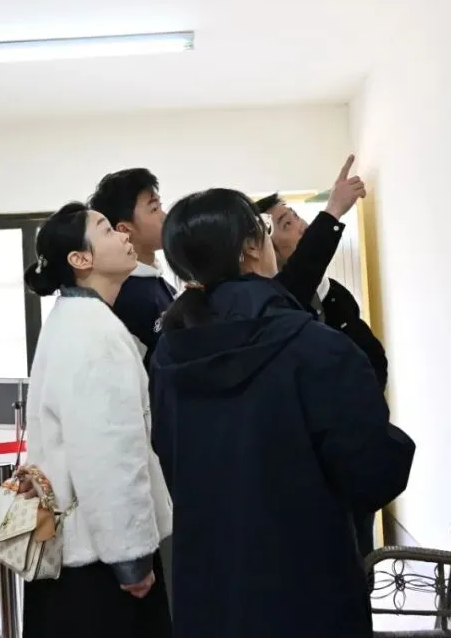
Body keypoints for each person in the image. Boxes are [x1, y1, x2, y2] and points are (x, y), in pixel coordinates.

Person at [149, 188, 415, 638]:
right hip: (306, 589)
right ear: (252, 248)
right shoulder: (317, 347)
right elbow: (373, 473)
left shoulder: (169, 357)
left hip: (210, 590)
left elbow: (171, 459)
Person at [22, 202, 173, 638]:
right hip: (100, 564)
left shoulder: (72, 318)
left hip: (74, 550)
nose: (124, 235)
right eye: (107, 230)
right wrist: (132, 559)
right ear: (80, 259)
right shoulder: (95, 334)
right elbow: (110, 456)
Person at [256, 156, 390, 559]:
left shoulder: (334, 294)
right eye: (286, 224)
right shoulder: (276, 304)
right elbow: (300, 275)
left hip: (356, 452)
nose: (301, 225)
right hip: (315, 469)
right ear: (263, 249)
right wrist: (333, 209)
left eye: (296, 215)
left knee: (362, 554)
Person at [88, 168, 176, 364]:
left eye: (160, 206)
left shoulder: (157, 281)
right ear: (125, 230)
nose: (165, 216)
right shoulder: (124, 296)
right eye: (154, 209)